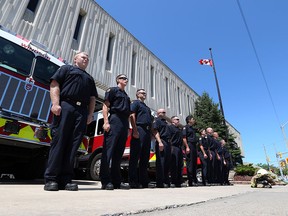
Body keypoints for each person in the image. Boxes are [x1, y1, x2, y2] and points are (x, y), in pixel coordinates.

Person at [44, 52, 98, 191]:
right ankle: (51, 178)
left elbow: (92, 98)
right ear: (75, 59)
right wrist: (55, 104)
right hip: (66, 106)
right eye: (83, 56)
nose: (86, 58)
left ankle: (66, 179)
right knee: (59, 141)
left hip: (81, 112)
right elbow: (54, 84)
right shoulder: (66, 69)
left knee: (74, 144)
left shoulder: (90, 78)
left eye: (87, 57)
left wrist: (90, 114)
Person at [100, 74, 131, 190]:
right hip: (115, 119)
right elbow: (105, 106)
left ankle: (116, 181)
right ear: (118, 80)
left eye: (126, 78)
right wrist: (106, 122)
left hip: (123, 123)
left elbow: (128, 113)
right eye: (123, 78)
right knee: (108, 151)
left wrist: (128, 128)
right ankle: (105, 180)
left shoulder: (127, 96)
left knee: (119, 153)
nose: (125, 80)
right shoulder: (113, 90)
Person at [129, 89, 154, 188]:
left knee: (145, 157)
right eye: (142, 93)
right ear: (137, 94)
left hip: (147, 132)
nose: (145, 94)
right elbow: (132, 115)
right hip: (139, 129)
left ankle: (143, 181)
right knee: (135, 156)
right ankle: (132, 181)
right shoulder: (135, 103)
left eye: (145, 93)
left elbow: (151, 122)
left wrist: (151, 134)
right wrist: (135, 130)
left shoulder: (147, 108)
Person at [152, 108, 171, 188]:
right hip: (162, 141)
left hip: (167, 142)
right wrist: (159, 142)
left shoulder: (165, 122)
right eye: (162, 112)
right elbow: (155, 131)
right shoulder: (157, 121)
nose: (164, 113)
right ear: (158, 113)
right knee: (161, 162)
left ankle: (166, 181)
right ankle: (160, 182)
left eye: (164, 112)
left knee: (167, 162)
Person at [169, 116, 190, 187]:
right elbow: (169, 138)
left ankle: (179, 181)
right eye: (176, 119)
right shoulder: (170, 127)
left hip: (179, 148)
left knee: (180, 164)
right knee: (174, 164)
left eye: (178, 119)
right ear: (172, 121)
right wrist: (170, 147)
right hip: (173, 147)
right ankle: (173, 181)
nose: (178, 121)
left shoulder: (179, 129)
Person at [182, 115, 198, 186]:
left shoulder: (192, 129)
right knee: (190, 163)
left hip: (194, 146)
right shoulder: (186, 128)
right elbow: (184, 138)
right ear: (189, 120)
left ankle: (195, 180)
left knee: (194, 163)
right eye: (192, 119)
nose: (194, 120)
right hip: (189, 145)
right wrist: (187, 147)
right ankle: (190, 181)